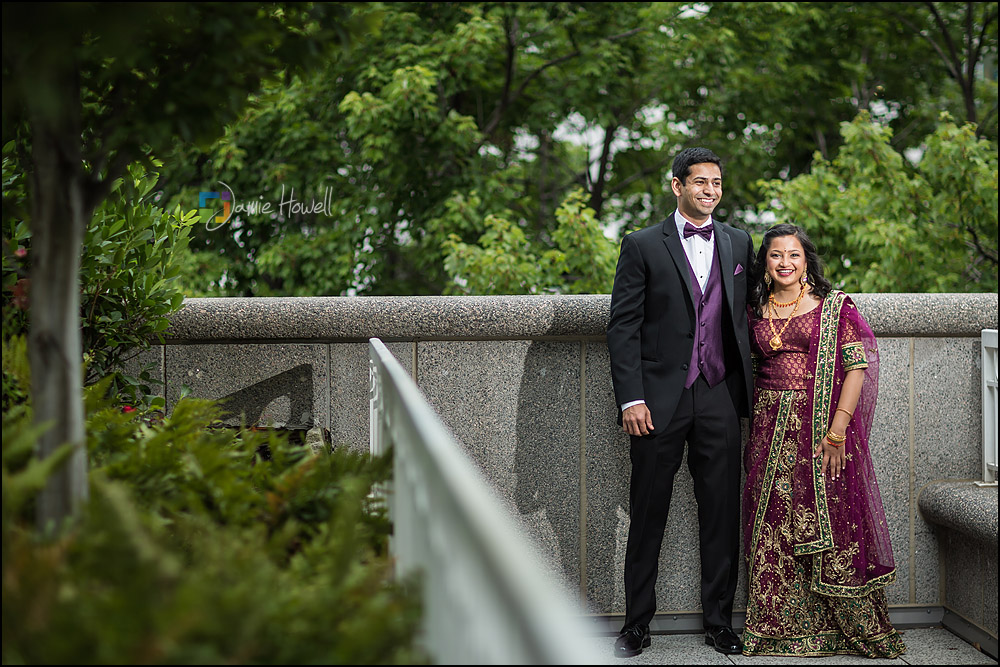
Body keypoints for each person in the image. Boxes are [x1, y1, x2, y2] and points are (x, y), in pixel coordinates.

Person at [607, 147, 755, 657]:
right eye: (700, 182)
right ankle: (636, 626)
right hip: (658, 401)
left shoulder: (739, 243)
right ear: (677, 186)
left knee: (721, 514)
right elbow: (622, 327)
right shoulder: (642, 245)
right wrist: (632, 398)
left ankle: (719, 622)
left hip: (719, 395)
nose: (710, 191)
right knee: (648, 513)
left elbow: (753, 311)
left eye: (716, 182)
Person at [741, 223, 906, 658]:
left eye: (793, 255)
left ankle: (845, 627)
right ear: (765, 262)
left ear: (806, 260)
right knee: (772, 521)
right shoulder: (754, 311)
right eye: (775, 255)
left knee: (828, 522)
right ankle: (780, 629)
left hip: (819, 432)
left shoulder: (832, 308)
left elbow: (856, 368)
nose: (784, 263)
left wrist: (837, 432)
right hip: (765, 429)